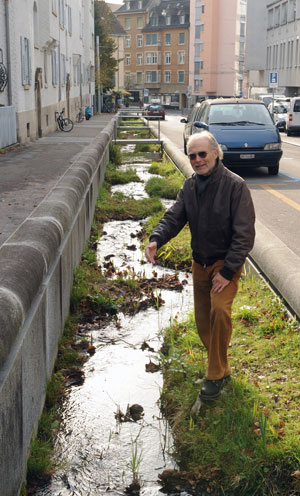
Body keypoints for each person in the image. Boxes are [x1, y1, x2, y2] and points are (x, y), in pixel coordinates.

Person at [145, 131, 255, 400]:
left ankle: (215, 376)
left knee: (220, 311)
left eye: (202, 154)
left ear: (215, 153)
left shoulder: (235, 186)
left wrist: (228, 272)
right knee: (203, 322)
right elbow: (174, 217)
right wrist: (156, 239)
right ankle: (221, 367)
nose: (197, 160)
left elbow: (244, 235)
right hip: (199, 263)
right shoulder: (190, 186)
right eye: (192, 155)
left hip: (223, 263)